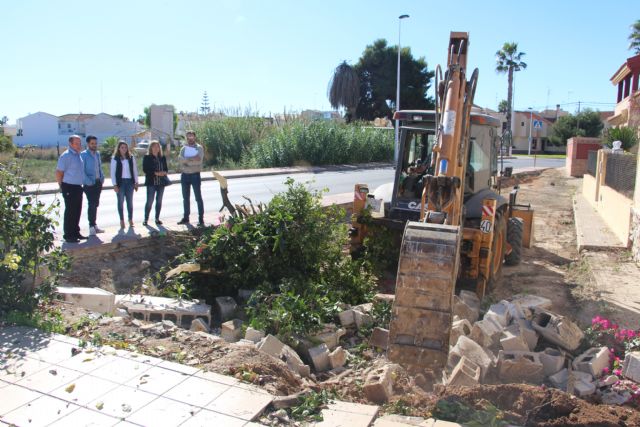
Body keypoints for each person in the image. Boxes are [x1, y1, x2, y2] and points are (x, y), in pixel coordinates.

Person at [56, 135, 86, 243]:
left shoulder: (78, 155)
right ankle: (68, 235)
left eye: (80, 143)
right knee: (70, 211)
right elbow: (59, 172)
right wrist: (62, 186)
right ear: (71, 144)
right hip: (69, 186)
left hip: (77, 187)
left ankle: (75, 232)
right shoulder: (66, 156)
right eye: (76, 143)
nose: (79, 145)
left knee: (77, 210)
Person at [178, 130, 205, 226]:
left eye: (191, 136)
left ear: (194, 137)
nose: (190, 138)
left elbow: (199, 161)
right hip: (184, 175)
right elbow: (180, 160)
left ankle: (201, 219)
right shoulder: (183, 149)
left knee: (198, 198)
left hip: (195, 175)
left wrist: (187, 161)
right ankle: (186, 218)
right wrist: (192, 158)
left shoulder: (199, 148)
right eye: (188, 137)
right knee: (185, 198)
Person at [110, 140, 139, 228]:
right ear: (119, 148)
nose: (124, 149)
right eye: (122, 147)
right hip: (120, 182)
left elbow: (134, 170)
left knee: (129, 202)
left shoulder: (131, 157)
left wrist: (136, 182)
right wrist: (114, 184)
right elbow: (112, 172)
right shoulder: (115, 158)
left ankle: (130, 219)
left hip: (130, 182)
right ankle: (122, 220)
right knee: (120, 202)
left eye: (125, 147)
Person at [80, 135, 105, 235]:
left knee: (96, 204)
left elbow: (99, 167)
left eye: (95, 143)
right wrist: (88, 182)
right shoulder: (84, 155)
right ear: (88, 144)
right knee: (92, 204)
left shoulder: (97, 154)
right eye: (92, 143)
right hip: (89, 184)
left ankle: (95, 225)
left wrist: (102, 178)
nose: (94, 145)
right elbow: (82, 171)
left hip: (98, 182)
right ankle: (91, 227)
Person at [142, 140, 168, 226]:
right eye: (154, 146)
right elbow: (145, 170)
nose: (156, 148)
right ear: (151, 148)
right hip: (151, 183)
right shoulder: (147, 157)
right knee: (149, 201)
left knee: (159, 201)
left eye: (158, 146)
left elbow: (166, 169)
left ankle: (157, 218)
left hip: (161, 182)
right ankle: (146, 219)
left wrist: (164, 173)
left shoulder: (162, 157)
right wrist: (156, 173)